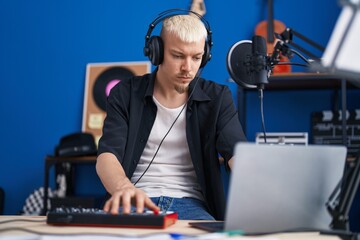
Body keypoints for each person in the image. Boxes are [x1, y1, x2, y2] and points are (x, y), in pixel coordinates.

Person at [96, 10, 247, 220]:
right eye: (177, 56)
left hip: (192, 206)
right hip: (135, 202)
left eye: (196, 58)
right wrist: (123, 188)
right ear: (156, 52)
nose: (188, 68)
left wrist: (259, 186)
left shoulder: (218, 98)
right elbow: (107, 155)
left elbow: (237, 155)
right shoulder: (125, 93)